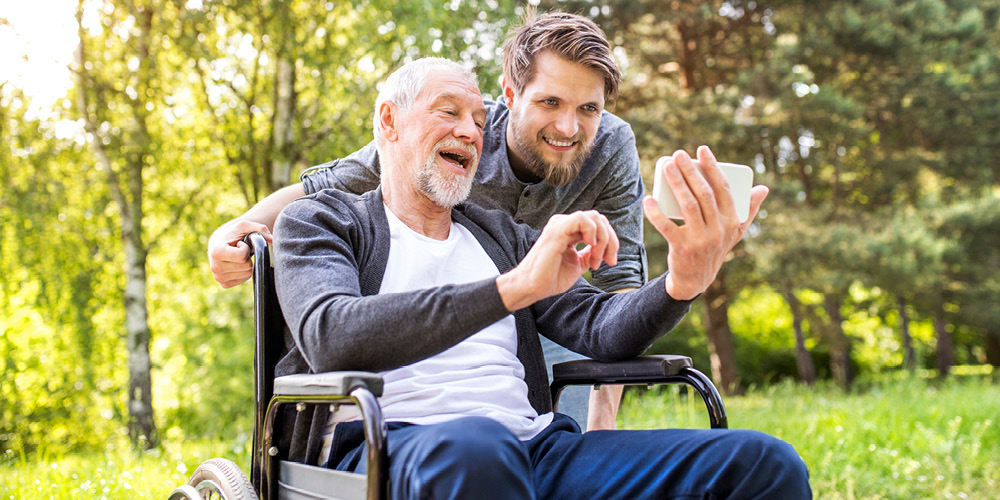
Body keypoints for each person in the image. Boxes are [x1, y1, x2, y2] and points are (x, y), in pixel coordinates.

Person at [272, 57, 810, 499]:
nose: (470, 131)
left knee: (763, 463)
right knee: (480, 449)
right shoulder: (323, 222)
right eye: (449, 112)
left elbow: (600, 328)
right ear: (389, 121)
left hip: (536, 450)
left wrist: (680, 284)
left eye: (481, 121)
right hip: (389, 450)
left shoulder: (502, 237)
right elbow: (332, 336)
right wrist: (512, 289)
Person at [210, 12, 645, 430]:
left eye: (589, 109)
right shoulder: (458, 132)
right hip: (437, 309)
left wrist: (602, 426)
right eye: (550, 101)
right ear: (511, 96)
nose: (569, 126)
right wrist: (238, 227)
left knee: (560, 433)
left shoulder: (611, 147)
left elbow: (618, 281)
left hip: (547, 310)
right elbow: (326, 183)